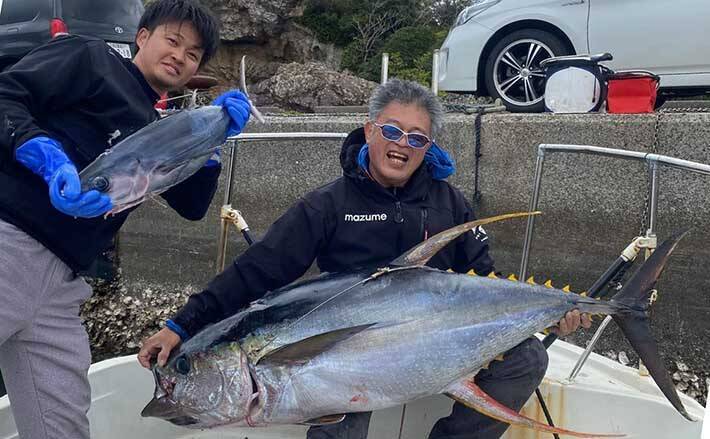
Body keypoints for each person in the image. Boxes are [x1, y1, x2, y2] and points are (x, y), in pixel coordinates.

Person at [139, 78, 590, 439]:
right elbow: (257, 270)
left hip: (434, 336)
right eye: (391, 131)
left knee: (527, 359)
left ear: (429, 146)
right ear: (370, 130)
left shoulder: (449, 203)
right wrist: (182, 325)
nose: (402, 144)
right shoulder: (328, 204)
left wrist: (549, 314)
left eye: (417, 137)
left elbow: (484, 277)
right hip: (350, 349)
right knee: (336, 417)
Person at [0, 1, 252, 438]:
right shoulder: (89, 57)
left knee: (62, 426)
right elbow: (6, 94)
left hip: (63, 288)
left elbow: (192, 205)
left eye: (193, 54)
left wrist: (212, 138)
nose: (180, 56)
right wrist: (41, 152)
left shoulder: (164, 127)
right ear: (142, 36)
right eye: (173, 41)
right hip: (10, 247)